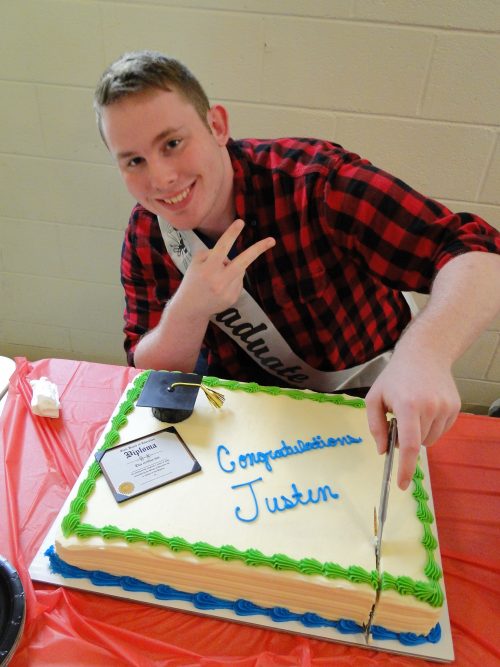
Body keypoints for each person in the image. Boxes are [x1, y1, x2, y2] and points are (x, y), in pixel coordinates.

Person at [94, 51, 500, 491]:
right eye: (134, 161)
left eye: (172, 143)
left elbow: (479, 251)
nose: (161, 178)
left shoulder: (316, 183)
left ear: (217, 127)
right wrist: (188, 310)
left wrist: (426, 354)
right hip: (248, 435)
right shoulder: (147, 234)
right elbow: (150, 371)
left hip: (366, 407)